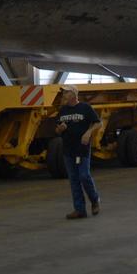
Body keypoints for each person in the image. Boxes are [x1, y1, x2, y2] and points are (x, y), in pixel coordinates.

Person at [53, 87, 102, 219]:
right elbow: (57, 130)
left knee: (84, 176)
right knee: (74, 179)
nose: (63, 94)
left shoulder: (85, 108)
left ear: (73, 94)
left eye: (66, 92)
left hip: (82, 149)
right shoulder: (62, 111)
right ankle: (79, 209)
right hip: (68, 150)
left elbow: (98, 123)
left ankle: (94, 200)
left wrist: (88, 132)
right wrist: (60, 128)